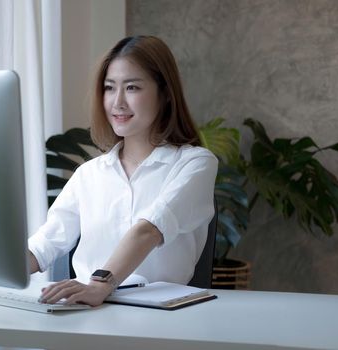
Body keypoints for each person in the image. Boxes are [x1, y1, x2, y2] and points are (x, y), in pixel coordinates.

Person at [28, 35, 218, 306]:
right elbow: (43, 246)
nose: (117, 102)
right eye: (109, 88)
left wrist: (99, 285)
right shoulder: (89, 174)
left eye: (132, 88)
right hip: (87, 314)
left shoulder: (195, 163)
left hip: (161, 320)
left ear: (165, 93)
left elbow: (149, 230)